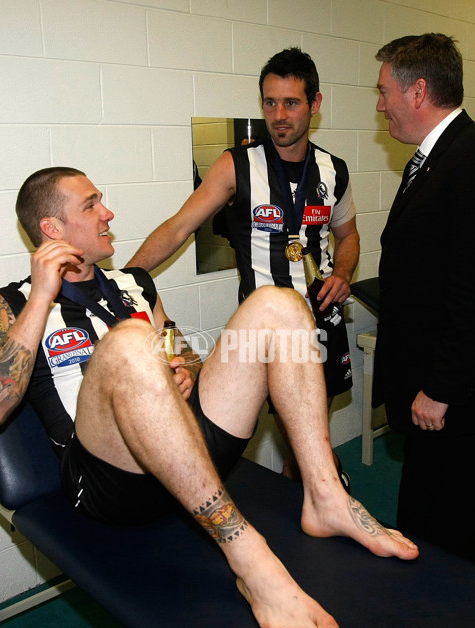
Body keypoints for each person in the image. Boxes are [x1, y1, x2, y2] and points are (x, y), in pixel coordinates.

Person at [0, 167, 418, 628]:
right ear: (52, 230)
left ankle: (325, 496)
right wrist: (41, 295)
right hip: (109, 482)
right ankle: (249, 559)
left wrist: (182, 370)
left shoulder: (135, 284)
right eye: (92, 205)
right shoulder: (9, 304)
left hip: (187, 452)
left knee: (279, 304)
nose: (108, 213)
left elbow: (184, 359)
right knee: (129, 343)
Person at [127, 47, 360, 483]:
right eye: (269, 102)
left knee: (309, 438)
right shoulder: (237, 165)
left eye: (291, 102)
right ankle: (320, 490)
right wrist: (124, 279)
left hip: (322, 321)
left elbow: (348, 235)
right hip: (264, 329)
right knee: (266, 438)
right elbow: (179, 228)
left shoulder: (334, 170)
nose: (278, 115)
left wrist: (344, 273)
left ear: (316, 103)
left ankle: (310, 505)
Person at [373, 34, 475, 563]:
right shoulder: (435, 158)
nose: (379, 104)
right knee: (423, 514)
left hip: (457, 395)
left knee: (446, 526)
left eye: (384, 90)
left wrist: (440, 389)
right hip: (432, 387)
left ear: (417, 91)